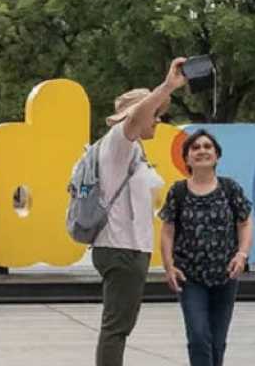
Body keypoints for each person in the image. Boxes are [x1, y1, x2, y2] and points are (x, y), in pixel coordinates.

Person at [92, 57, 187, 366]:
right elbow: (135, 118)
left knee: (120, 325)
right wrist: (168, 86)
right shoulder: (119, 141)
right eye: (154, 113)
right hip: (122, 248)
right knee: (116, 328)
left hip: (128, 248)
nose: (158, 119)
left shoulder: (132, 149)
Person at [159, 129, 254, 366]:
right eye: (195, 148)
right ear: (187, 158)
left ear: (217, 155)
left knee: (217, 342)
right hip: (189, 277)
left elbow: (244, 223)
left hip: (226, 275)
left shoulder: (230, 188)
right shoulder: (178, 191)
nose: (202, 151)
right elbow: (167, 231)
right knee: (199, 336)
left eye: (207, 146)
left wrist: (242, 255)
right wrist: (169, 267)